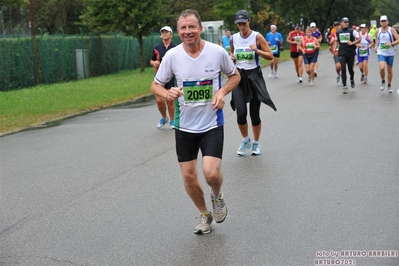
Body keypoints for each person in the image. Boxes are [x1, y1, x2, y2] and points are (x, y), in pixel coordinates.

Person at [151, 9, 241, 234]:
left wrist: (221, 92)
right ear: (178, 31)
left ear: (200, 29)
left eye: (192, 27)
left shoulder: (216, 52)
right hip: (184, 126)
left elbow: (235, 76)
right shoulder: (172, 56)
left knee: (211, 174)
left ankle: (216, 195)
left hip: (211, 123)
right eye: (183, 27)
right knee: (189, 176)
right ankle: (205, 215)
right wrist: (167, 94)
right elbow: (155, 85)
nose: (188, 31)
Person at [230, 10, 277, 157]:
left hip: (254, 76)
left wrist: (257, 50)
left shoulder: (257, 36)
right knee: (241, 113)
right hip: (239, 77)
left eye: (244, 23)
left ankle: (256, 142)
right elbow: (232, 54)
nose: (241, 27)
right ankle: (245, 140)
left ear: (249, 21)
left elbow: (270, 55)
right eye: (239, 24)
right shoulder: (233, 38)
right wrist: (232, 58)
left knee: (254, 114)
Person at [150, 26, 177, 129]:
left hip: (171, 76)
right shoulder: (157, 48)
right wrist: (154, 63)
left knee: (170, 100)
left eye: (167, 32)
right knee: (159, 101)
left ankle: (172, 120)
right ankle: (164, 117)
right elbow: (151, 60)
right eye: (163, 32)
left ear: (171, 34)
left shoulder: (176, 48)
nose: (164, 34)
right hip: (159, 76)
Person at [374, 15, 399, 93]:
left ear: (388, 22)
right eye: (382, 21)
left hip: (390, 52)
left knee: (389, 70)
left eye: (385, 21)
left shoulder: (392, 30)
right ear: (380, 22)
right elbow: (377, 39)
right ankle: (383, 81)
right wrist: (375, 46)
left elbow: (398, 39)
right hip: (381, 51)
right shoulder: (378, 30)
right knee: (382, 67)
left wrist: (391, 44)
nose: (383, 22)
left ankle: (389, 85)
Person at [334, 17, 360, 94]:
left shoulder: (352, 31)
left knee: (350, 69)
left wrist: (352, 43)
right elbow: (337, 40)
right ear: (341, 23)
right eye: (344, 22)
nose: (346, 23)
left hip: (350, 52)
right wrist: (335, 47)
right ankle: (344, 86)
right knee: (343, 69)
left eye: (347, 22)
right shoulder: (338, 32)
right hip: (342, 52)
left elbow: (359, 39)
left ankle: (352, 78)